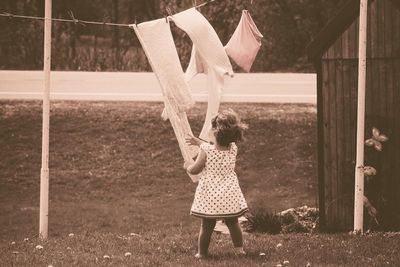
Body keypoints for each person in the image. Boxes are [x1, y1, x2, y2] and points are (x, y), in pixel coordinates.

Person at [184, 108, 249, 259]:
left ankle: (202, 253)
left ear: (216, 131)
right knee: (233, 223)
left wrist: (187, 166)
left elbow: (195, 169)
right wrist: (197, 142)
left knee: (207, 225)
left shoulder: (206, 150)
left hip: (210, 195)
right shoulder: (233, 148)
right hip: (229, 193)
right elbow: (212, 146)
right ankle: (239, 250)